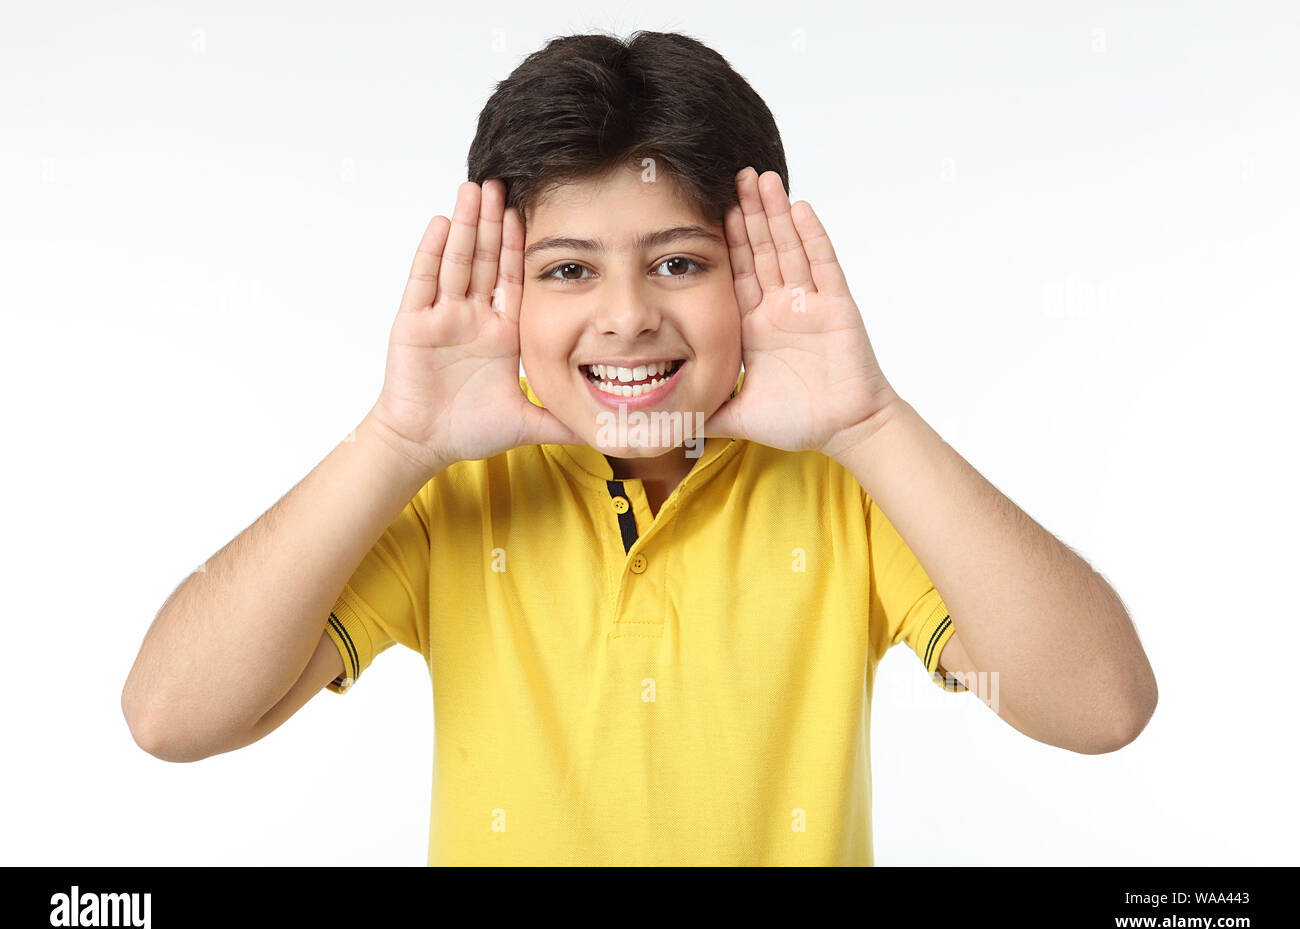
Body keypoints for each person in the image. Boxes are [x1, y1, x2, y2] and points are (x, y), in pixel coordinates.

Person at [121, 30, 1157, 865]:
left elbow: (1101, 705)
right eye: (569, 271)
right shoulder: (450, 496)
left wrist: (870, 425)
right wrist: (396, 439)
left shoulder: (848, 487)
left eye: (677, 262)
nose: (625, 318)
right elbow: (172, 715)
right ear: (506, 288)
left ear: (753, 269)